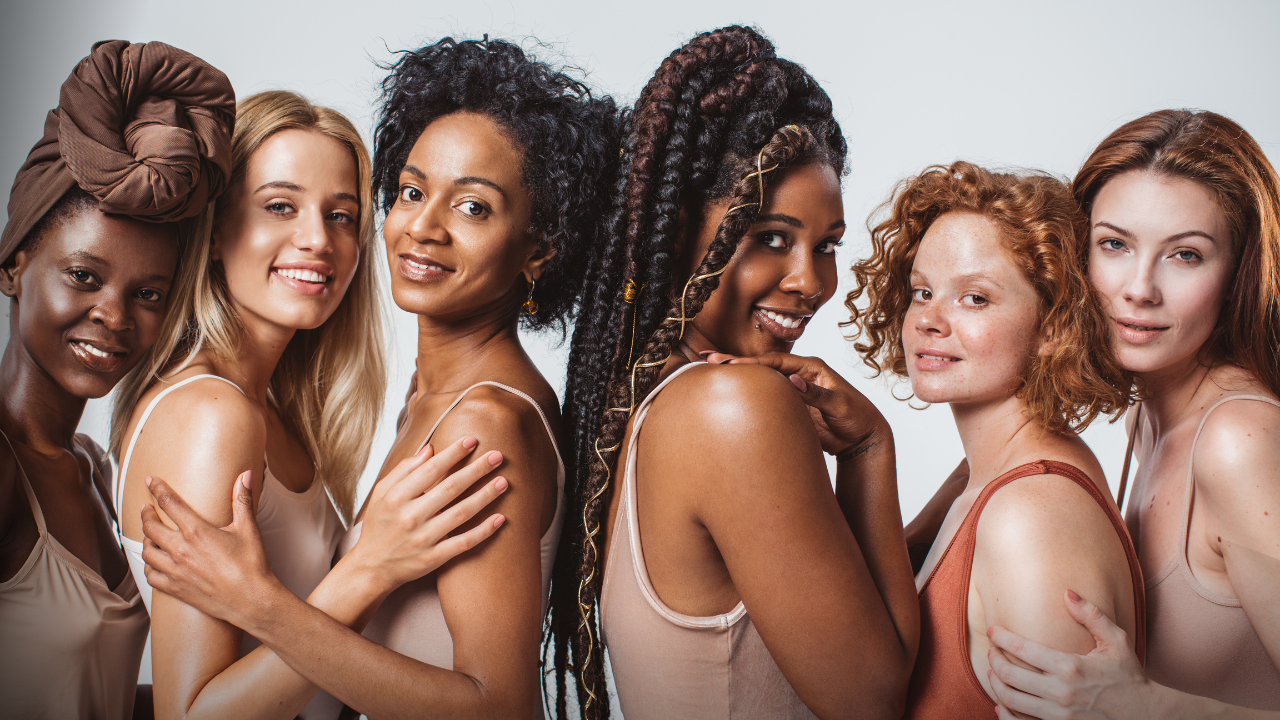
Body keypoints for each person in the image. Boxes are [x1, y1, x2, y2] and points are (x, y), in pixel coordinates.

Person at [133, 38, 621, 719]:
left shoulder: (484, 424)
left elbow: (499, 707)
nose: (423, 227)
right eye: (413, 192)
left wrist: (262, 606)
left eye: (473, 207)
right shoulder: (425, 405)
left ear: (538, 249)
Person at [548, 25, 919, 720]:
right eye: (770, 238)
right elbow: (875, 698)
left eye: (827, 246)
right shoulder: (733, 409)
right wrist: (870, 450)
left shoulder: (642, 402)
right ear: (679, 229)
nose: (810, 282)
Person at [985, 110, 1280, 718]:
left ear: (1238, 275)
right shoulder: (1144, 419)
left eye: (1186, 255)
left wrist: (1144, 707)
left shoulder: (1238, 441)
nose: (1140, 288)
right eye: (1115, 245)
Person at [844, 161, 1146, 719]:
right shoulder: (991, 476)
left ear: (1054, 327)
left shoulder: (1029, 516)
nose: (929, 319)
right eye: (922, 291)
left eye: (975, 298)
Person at [0, 39, 234, 719]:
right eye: (84, 276)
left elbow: (78, 688)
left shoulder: (96, 469)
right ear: (13, 267)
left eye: (148, 294)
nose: (114, 316)